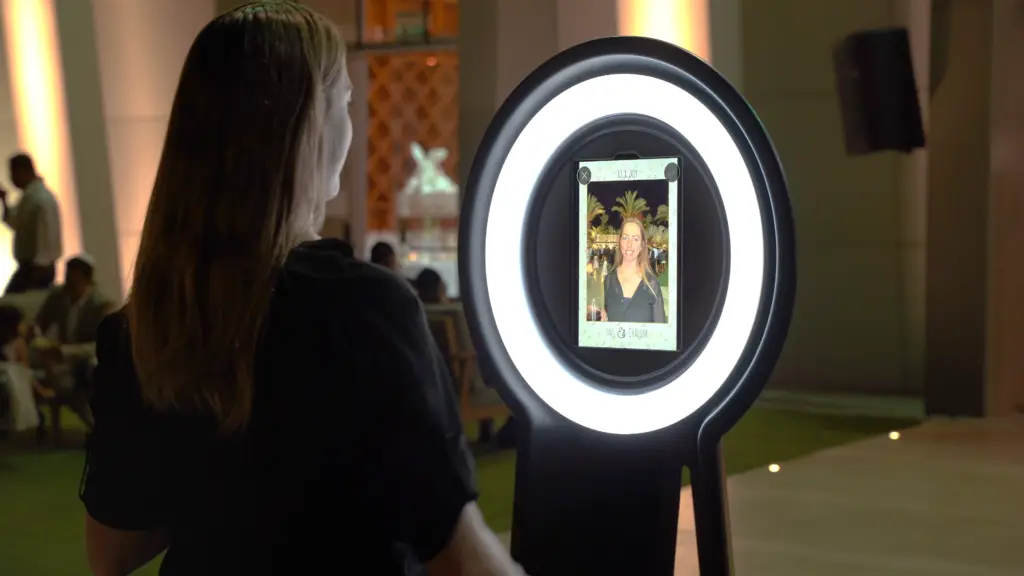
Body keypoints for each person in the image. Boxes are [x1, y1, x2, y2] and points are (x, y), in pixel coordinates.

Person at [78, 4, 525, 576]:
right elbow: (461, 558)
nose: (352, 123)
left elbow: (112, 550)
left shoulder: (142, 329)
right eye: (344, 102)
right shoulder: (364, 313)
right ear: (306, 125)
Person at [0, 153, 62, 294]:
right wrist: (4, 201)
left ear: (23, 171)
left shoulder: (40, 199)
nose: (12, 178)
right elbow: (15, 222)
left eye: (13, 173)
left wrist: (40, 265)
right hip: (32, 267)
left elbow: (47, 235)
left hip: (37, 269)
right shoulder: (29, 197)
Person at [595, 218, 666, 323]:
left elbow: (661, 332)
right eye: (625, 238)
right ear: (620, 242)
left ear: (642, 245)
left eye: (635, 239)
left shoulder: (652, 284)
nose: (629, 244)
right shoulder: (609, 280)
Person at [35, 254, 116, 345]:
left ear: (87, 281)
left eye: (75, 282)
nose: (69, 287)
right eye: (67, 281)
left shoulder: (102, 306)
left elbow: (101, 344)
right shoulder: (58, 296)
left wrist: (68, 351)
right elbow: (41, 322)